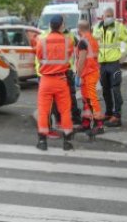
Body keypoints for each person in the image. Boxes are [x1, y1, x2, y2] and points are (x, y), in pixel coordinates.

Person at [36, 15, 74, 151]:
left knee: (43, 111)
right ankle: (67, 141)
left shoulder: (42, 41)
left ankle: (42, 141)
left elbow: (39, 57)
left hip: (46, 80)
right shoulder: (68, 41)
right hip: (61, 80)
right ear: (61, 26)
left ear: (50, 26)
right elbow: (69, 57)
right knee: (64, 111)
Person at [93, 8, 127, 127]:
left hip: (114, 63)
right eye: (107, 15)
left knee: (115, 90)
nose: (109, 18)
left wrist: (124, 56)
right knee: (105, 90)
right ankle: (109, 113)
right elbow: (93, 43)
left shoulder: (118, 27)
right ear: (103, 16)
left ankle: (117, 116)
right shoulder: (97, 28)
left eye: (111, 16)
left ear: (114, 17)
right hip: (102, 64)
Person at [75, 20, 104, 134]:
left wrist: (77, 75)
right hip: (92, 72)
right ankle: (86, 122)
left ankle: (99, 124)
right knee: (87, 99)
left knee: (91, 99)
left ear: (79, 29)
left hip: (87, 73)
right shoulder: (92, 39)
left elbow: (82, 60)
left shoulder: (83, 42)